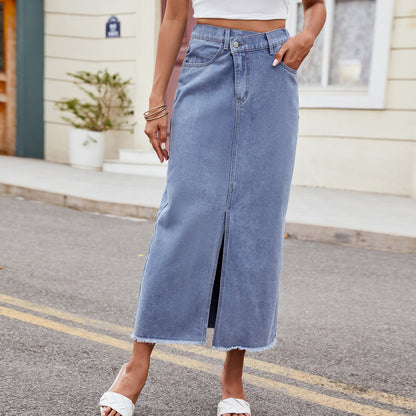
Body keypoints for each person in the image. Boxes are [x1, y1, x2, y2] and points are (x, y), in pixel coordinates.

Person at [99, 0, 326, 415]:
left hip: (272, 68)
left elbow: (315, 7)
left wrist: (307, 35)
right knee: (183, 217)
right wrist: (156, 101)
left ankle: (233, 377)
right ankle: (136, 364)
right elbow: (173, 17)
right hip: (207, 61)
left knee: (255, 223)